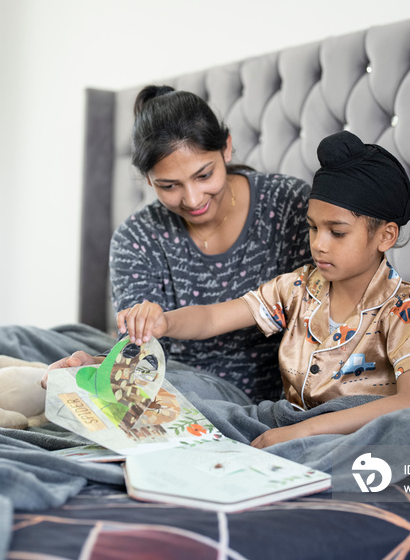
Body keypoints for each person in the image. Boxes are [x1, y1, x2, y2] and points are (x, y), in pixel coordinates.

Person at [118, 130, 410, 448]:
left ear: (386, 236)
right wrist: (166, 322)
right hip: (283, 421)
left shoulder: (406, 306)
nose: (319, 245)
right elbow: (213, 319)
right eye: (313, 228)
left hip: (356, 435)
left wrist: (306, 432)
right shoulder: (297, 287)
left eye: (337, 232)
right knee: (178, 394)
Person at [43, 86, 311, 402]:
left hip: (265, 399)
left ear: (226, 148)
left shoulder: (288, 206)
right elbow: (143, 352)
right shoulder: (137, 239)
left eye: (204, 175)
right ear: (147, 179)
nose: (193, 199)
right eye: (169, 186)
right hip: (177, 389)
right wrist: (97, 367)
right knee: (33, 339)